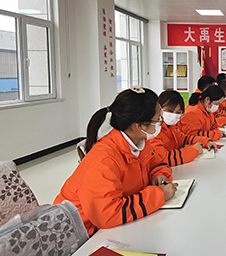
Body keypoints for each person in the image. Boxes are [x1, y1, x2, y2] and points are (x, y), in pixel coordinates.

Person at [54, 87, 177, 236]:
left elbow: (157, 162)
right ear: (139, 126)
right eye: (157, 120)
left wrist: (158, 174)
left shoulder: (140, 142)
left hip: (116, 224)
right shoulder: (104, 159)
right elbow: (108, 214)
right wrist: (159, 195)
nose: (160, 124)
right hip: (81, 234)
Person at [149, 90, 217, 167]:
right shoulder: (153, 131)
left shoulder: (172, 127)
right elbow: (163, 158)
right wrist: (194, 150)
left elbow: (184, 139)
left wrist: (205, 142)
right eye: (169, 110)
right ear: (159, 109)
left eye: (178, 112)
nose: (174, 115)